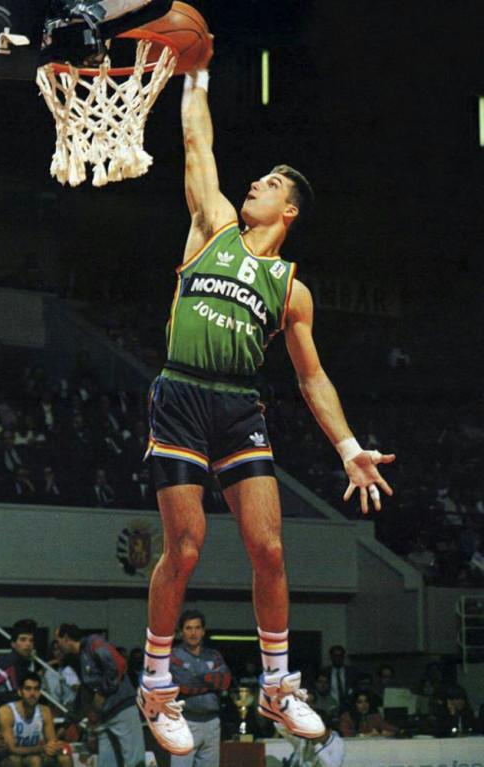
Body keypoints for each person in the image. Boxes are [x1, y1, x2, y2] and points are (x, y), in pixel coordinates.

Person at [137, 49, 395, 757]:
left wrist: (348, 446)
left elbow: (313, 378)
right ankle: (155, 684)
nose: (256, 182)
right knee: (185, 549)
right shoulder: (211, 224)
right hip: (183, 394)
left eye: (272, 182)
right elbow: (197, 141)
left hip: (238, 405)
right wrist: (197, 72)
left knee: (271, 548)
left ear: (289, 211)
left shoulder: (290, 288)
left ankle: (279, 685)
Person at [54, 623, 145, 767]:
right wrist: (67, 723)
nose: (57, 647)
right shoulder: (78, 659)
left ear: (65, 638)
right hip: (104, 717)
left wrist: (102, 693)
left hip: (122, 710)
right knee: (106, 763)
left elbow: (118, 664)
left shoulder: (94, 643)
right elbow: (84, 695)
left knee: (134, 761)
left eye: (58, 642)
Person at [169, 610, 230, 767]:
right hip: (184, 722)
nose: (193, 633)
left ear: (203, 631)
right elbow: (184, 684)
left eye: (197, 628)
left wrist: (196, 680)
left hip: (212, 723)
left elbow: (225, 681)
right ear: (181, 632)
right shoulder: (173, 656)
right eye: (188, 628)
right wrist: (209, 681)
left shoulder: (214, 655)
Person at [0, 672, 73, 767]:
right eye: (28, 689)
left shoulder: (45, 711)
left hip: (34, 754)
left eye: (36, 689)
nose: (32, 693)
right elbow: (11, 749)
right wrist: (42, 748)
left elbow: (51, 741)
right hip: (9, 758)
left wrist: (55, 747)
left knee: (65, 759)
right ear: (20, 692)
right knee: (32, 760)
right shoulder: (6, 712)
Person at [0, 619, 37, 709]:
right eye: (23, 639)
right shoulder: (5, 663)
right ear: (13, 644)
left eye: (31, 640)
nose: (28, 644)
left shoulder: (26, 664)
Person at [276, 718, 345, 767]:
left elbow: (333, 766)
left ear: (329, 731)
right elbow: (282, 728)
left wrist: (317, 745)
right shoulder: (304, 739)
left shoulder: (337, 743)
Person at [323, 646, 359, 714]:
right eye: (336, 656)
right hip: (330, 705)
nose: (338, 658)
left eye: (340, 655)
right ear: (331, 657)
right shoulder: (325, 671)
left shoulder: (352, 671)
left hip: (349, 706)